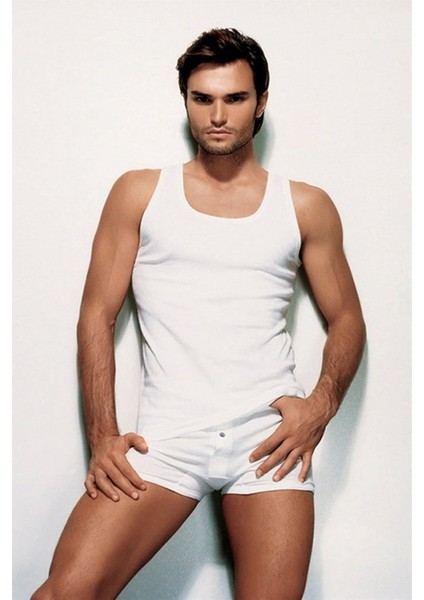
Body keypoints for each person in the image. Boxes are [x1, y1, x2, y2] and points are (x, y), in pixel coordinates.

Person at [31, 28, 366, 600]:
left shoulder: (304, 205)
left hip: (269, 441)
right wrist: (102, 435)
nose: (217, 115)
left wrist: (321, 406)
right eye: (202, 98)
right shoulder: (140, 193)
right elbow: (96, 315)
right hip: (165, 440)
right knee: (67, 593)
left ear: (260, 102)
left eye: (234, 98)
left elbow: (349, 319)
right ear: (185, 100)